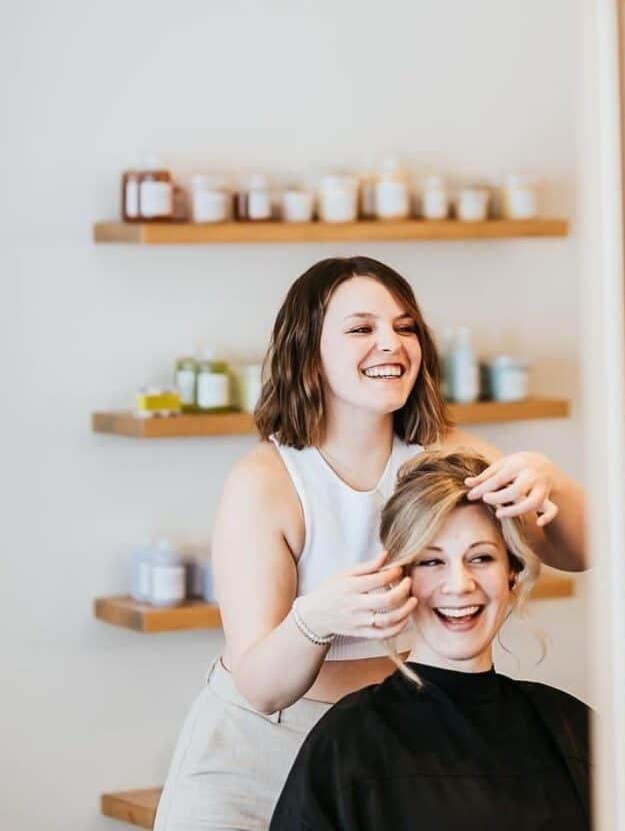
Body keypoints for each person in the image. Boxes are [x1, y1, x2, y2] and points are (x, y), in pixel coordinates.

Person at [154, 256, 588, 831]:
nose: (391, 343)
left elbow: (580, 553)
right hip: (263, 745)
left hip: (386, 739)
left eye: (405, 327)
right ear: (308, 352)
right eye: (362, 329)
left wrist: (547, 479)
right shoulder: (267, 482)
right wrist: (315, 619)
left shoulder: (446, 455)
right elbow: (260, 689)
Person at [270, 450, 625, 830]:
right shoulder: (348, 744)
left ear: (512, 573)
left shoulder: (573, 728)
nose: (459, 585)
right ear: (399, 576)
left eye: (481, 558)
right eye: (432, 562)